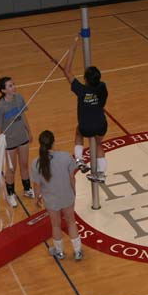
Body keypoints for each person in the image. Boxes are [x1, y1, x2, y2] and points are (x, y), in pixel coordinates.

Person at [61, 37, 109, 183]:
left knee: (78, 132)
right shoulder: (102, 87)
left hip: (86, 126)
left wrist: (73, 47)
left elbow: (67, 70)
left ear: (85, 79)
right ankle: (100, 173)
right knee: (98, 144)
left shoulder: (81, 90)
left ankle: (79, 160)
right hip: (101, 124)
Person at [31, 130, 83, 260]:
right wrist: (73, 191)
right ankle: (77, 251)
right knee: (71, 222)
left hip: (51, 199)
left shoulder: (36, 163)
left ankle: (59, 252)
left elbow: (37, 185)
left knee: (55, 225)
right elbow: (72, 178)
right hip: (67, 195)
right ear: (54, 142)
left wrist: (37, 198)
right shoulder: (66, 156)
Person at [0, 76, 35, 207]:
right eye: (10, 86)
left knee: (24, 165)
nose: (14, 87)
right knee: (11, 169)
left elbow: (23, 116)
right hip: (10, 143)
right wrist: (0, 145)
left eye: (13, 84)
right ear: (3, 90)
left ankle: (27, 189)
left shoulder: (19, 98)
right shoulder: (1, 107)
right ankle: (10, 194)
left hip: (22, 138)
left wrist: (29, 132)